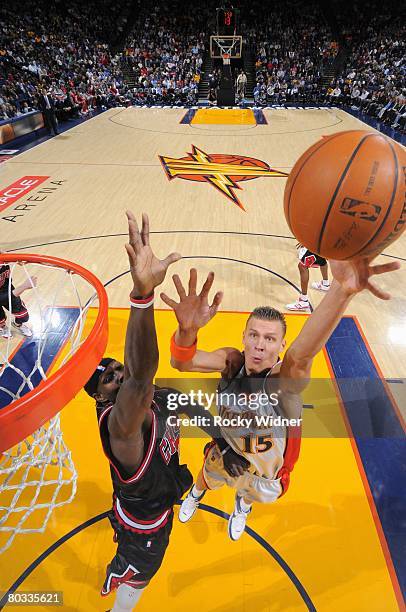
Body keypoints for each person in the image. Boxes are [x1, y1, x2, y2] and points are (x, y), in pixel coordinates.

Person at [161, 255, 399, 541]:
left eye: (270, 339)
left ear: (281, 345)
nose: (259, 345)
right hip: (228, 446)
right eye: (254, 335)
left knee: (249, 493)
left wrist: (341, 290)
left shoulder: (279, 386)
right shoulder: (232, 362)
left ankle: (242, 506)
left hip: (266, 469)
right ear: (244, 336)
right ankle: (196, 493)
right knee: (208, 475)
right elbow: (182, 363)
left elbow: (299, 359)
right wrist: (187, 331)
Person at [84, 212, 248, 611]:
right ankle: (121, 585)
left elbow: (187, 403)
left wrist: (219, 440)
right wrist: (141, 296)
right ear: (100, 399)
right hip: (145, 527)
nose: (118, 377)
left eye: (118, 370)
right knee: (136, 586)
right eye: (109, 380)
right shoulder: (121, 428)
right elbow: (140, 378)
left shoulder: (157, 395)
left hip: (153, 496)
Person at [0, 252, 37, 338]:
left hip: (7, 288)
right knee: (0, 320)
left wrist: (16, 258)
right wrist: (24, 286)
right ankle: (3, 327)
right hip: (5, 295)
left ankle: (17, 324)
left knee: (24, 316)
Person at [286, 244, 330, 311]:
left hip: (318, 244)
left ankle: (303, 301)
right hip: (325, 244)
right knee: (322, 259)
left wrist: (307, 241)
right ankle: (325, 284)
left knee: (302, 266)